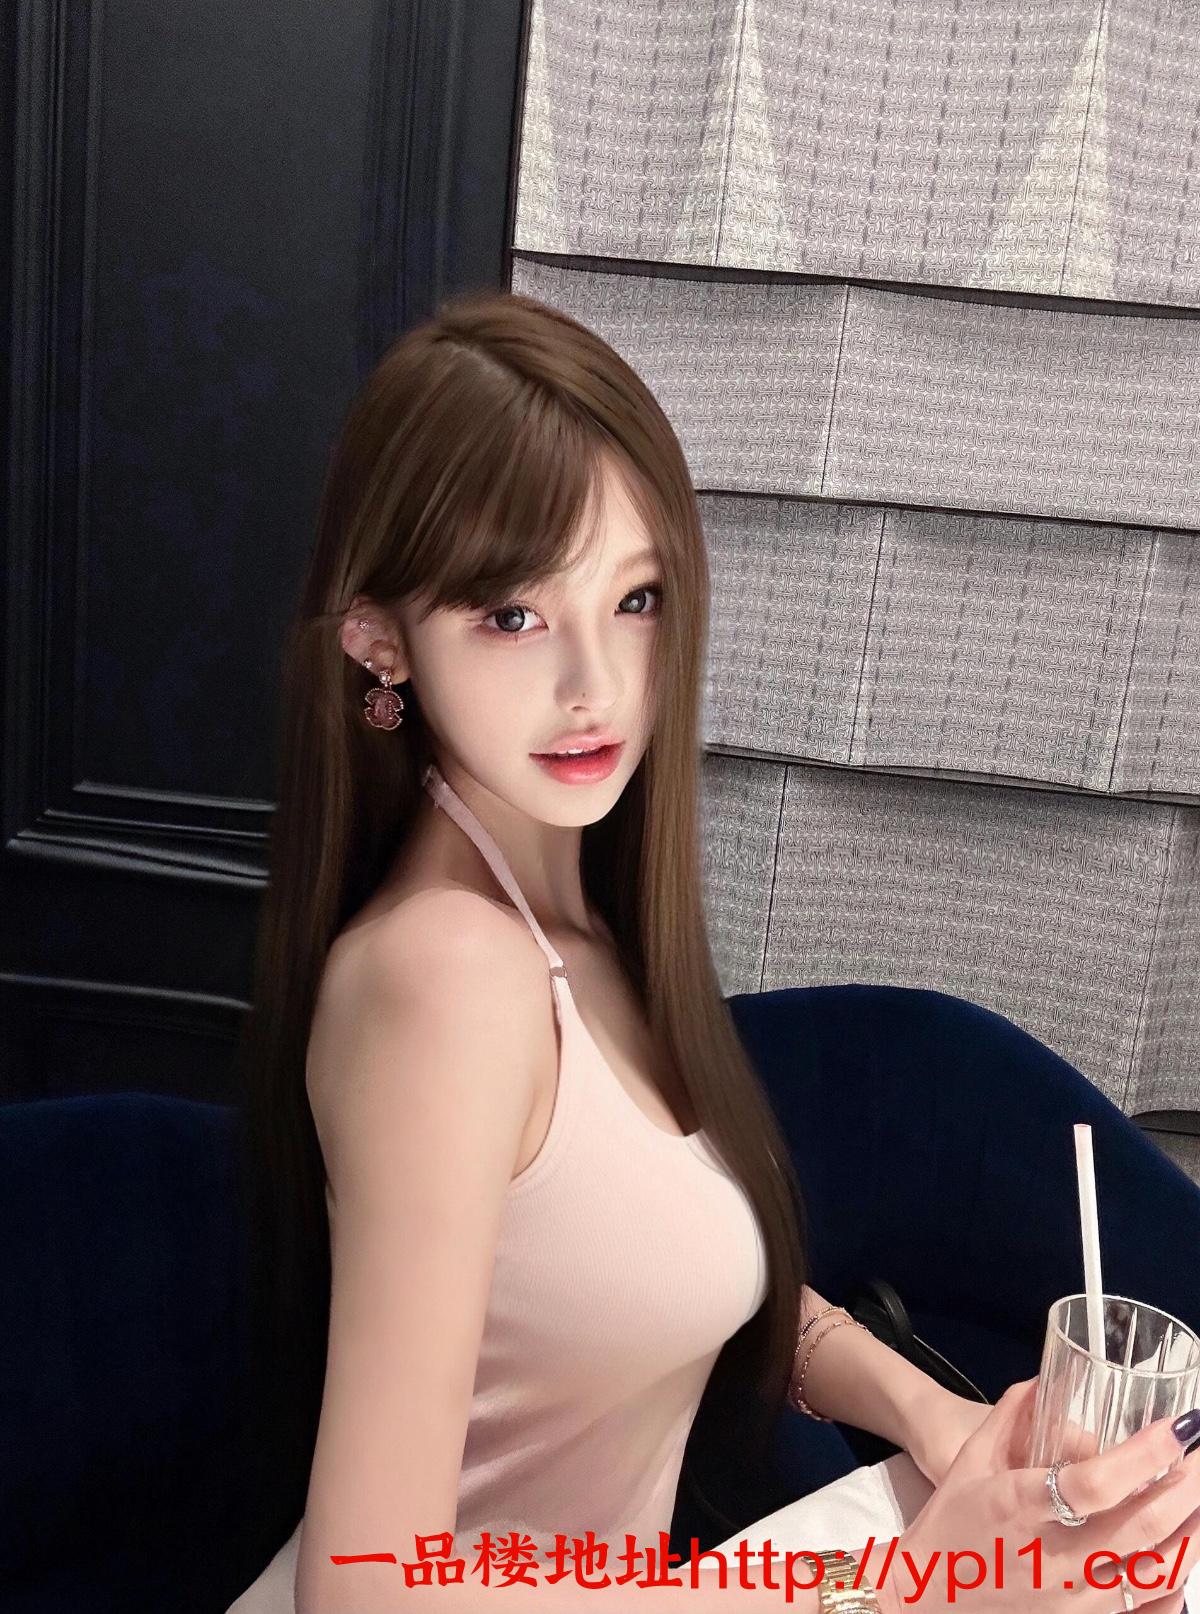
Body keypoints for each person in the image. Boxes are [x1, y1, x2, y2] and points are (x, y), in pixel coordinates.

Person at [224, 289, 1200, 1614]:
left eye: (634, 598)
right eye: (511, 615)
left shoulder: (583, 931)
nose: (596, 684)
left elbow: (672, 1267)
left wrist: (934, 1414)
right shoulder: (445, 980)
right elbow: (367, 1588)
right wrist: (904, 1583)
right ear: (381, 639)